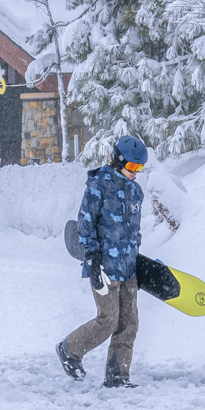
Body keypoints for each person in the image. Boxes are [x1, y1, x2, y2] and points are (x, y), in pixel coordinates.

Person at [57, 134, 147, 387]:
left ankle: (118, 376)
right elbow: (85, 225)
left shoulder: (135, 191)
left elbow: (133, 230)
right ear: (118, 161)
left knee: (129, 323)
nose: (135, 172)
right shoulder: (99, 186)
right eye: (131, 167)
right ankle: (69, 349)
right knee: (108, 320)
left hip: (128, 268)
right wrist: (93, 260)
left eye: (140, 168)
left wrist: (136, 257)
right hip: (104, 266)